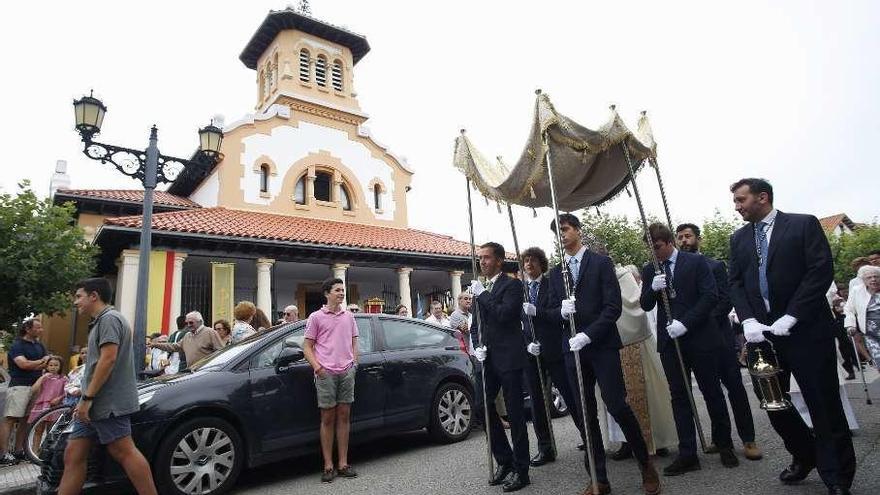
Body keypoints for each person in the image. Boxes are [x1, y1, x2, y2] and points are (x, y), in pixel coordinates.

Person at [728, 178, 855, 495]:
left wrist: (793, 313)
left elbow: (820, 270)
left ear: (762, 197)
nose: (737, 206)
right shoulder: (739, 238)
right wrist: (748, 320)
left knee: (822, 404)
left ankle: (837, 476)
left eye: (741, 200)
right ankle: (805, 454)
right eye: (735, 201)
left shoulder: (802, 225)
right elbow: (736, 283)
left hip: (806, 332)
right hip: (762, 339)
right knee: (773, 404)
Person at [546, 214, 659, 495]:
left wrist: (589, 334)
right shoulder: (555, 273)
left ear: (578, 230)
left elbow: (612, 307)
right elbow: (549, 311)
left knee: (616, 404)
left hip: (601, 345)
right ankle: (598, 476)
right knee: (585, 413)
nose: (561, 234)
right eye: (556, 232)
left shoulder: (600, 263)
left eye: (565, 228)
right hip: (572, 349)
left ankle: (645, 464)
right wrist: (559, 312)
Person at [640, 222, 737, 474]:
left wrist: (686, 323)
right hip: (671, 343)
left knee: (711, 391)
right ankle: (687, 453)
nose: (655, 253)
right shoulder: (651, 269)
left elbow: (710, 296)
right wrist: (652, 288)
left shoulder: (694, 262)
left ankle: (724, 444)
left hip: (700, 337)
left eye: (658, 247)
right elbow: (646, 305)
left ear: (668, 242)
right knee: (679, 397)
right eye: (650, 249)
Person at [58, 277, 157, 495]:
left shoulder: (109, 319)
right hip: (93, 405)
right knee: (73, 455)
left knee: (124, 452)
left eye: (79, 296)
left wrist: (86, 399)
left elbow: (108, 359)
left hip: (106, 403)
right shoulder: (102, 321)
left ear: (94, 296)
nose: (76, 302)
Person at [676, 222, 762, 461]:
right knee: (710, 391)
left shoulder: (714, 265)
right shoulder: (678, 271)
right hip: (697, 341)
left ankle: (748, 439)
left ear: (698, 239)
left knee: (734, 387)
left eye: (688, 236)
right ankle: (720, 439)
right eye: (680, 237)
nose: (684, 241)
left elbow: (724, 300)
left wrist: (699, 319)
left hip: (719, 336)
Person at [469, 242, 530, 492]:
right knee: (482, 406)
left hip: (510, 356)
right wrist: (477, 345)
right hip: (488, 358)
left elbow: (505, 315)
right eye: (480, 258)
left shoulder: (512, 285)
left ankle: (522, 469)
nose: (482, 262)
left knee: (515, 413)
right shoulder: (479, 288)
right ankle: (505, 460)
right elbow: (476, 324)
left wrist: (483, 294)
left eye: (486, 258)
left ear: (499, 261)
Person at [600, 264, 677, 459]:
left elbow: (636, 305)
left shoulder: (622, 275)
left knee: (648, 392)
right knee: (616, 398)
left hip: (634, 342)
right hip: (607, 345)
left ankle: (657, 441)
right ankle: (627, 442)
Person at [520, 246, 586, 467]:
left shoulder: (552, 285)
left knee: (570, 395)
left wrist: (537, 312)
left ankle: (588, 438)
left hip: (555, 349)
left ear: (541, 263)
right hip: (533, 354)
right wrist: (528, 343)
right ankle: (545, 448)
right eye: (526, 261)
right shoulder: (522, 290)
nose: (529, 264)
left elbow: (560, 316)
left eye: (533, 261)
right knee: (537, 403)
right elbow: (517, 325)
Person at [303, 278, 360, 483]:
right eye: (337, 290)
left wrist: (354, 365)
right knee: (327, 418)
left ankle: (343, 463)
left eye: (343, 290)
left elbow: (355, 341)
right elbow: (307, 346)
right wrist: (318, 368)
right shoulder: (316, 317)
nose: (342, 293)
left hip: (346, 371)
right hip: (325, 372)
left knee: (344, 416)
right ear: (327, 293)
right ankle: (328, 466)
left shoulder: (349, 317)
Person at [0, 317, 49, 465]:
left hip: (36, 386)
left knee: (26, 420)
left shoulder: (40, 345)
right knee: (10, 418)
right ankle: (2, 455)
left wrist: (37, 363)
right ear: (28, 329)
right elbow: (23, 364)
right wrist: (40, 362)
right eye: (38, 327)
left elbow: (47, 363)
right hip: (19, 386)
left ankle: (19, 451)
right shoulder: (17, 345)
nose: (41, 330)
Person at [150, 311, 225, 367]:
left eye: (191, 323)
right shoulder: (187, 336)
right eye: (187, 323)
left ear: (200, 322)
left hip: (207, 373)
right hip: (191, 373)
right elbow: (173, 347)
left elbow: (221, 352)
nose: (189, 325)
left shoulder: (210, 332)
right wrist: (155, 344)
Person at [28, 355, 67, 453]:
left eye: (56, 365)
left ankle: (47, 452)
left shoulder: (64, 379)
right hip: (41, 406)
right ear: (47, 366)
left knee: (52, 431)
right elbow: (33, 389)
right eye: (51, 365)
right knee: (38, 430)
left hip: (55, 407)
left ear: (60, 366)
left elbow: (66, 392)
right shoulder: (44, 377)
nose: (53, 367)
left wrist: (59, 398)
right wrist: (42, 378)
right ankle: (34, 451)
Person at [844, 265, 880, 368]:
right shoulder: (857, 291)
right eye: (869, 277)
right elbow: (849, 309)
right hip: (871, 335)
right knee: (878, 361)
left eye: (876, 276)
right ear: (863, 280)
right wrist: (850, 325)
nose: (873, 279)